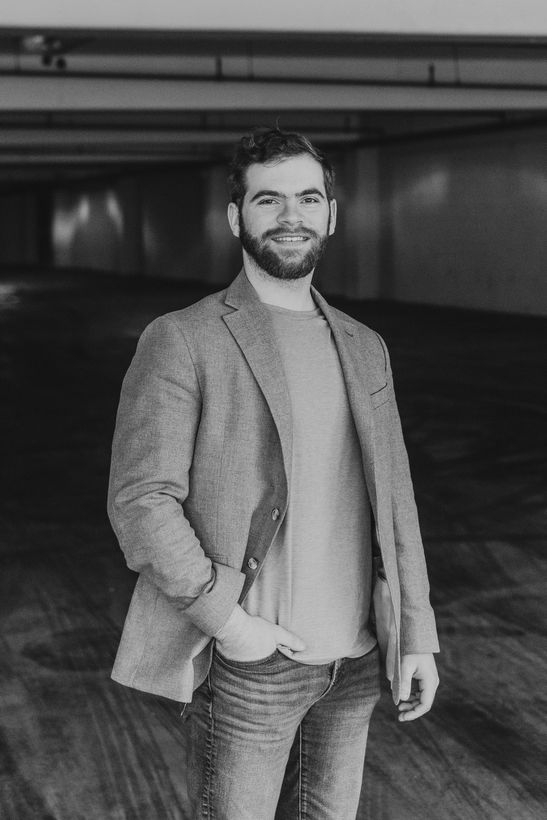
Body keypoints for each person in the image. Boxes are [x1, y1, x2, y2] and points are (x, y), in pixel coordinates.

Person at [107, 127, 440, 820]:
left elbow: (396, 502)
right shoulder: (185, 338)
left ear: (331, 214)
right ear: (237, 217)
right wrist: (229, 623)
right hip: (251, 665)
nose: (291, 216)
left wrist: (417, 634)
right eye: (269, 200)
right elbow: (142, 500)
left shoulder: (364, 346)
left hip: (355, 660)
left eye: (307, 198)